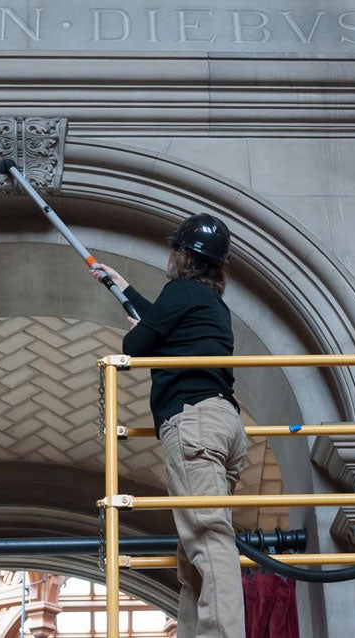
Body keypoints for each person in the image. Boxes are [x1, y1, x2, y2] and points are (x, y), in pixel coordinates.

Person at [93, 213, 248, 638]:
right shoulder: (208, 302)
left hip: (193, 420)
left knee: (207, 541)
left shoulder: (180, 291)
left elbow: (136, 345)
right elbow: (160, 325)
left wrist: (140, 331)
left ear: (180, 255)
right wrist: (121, 287)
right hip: (224, 424)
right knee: (194, 549)